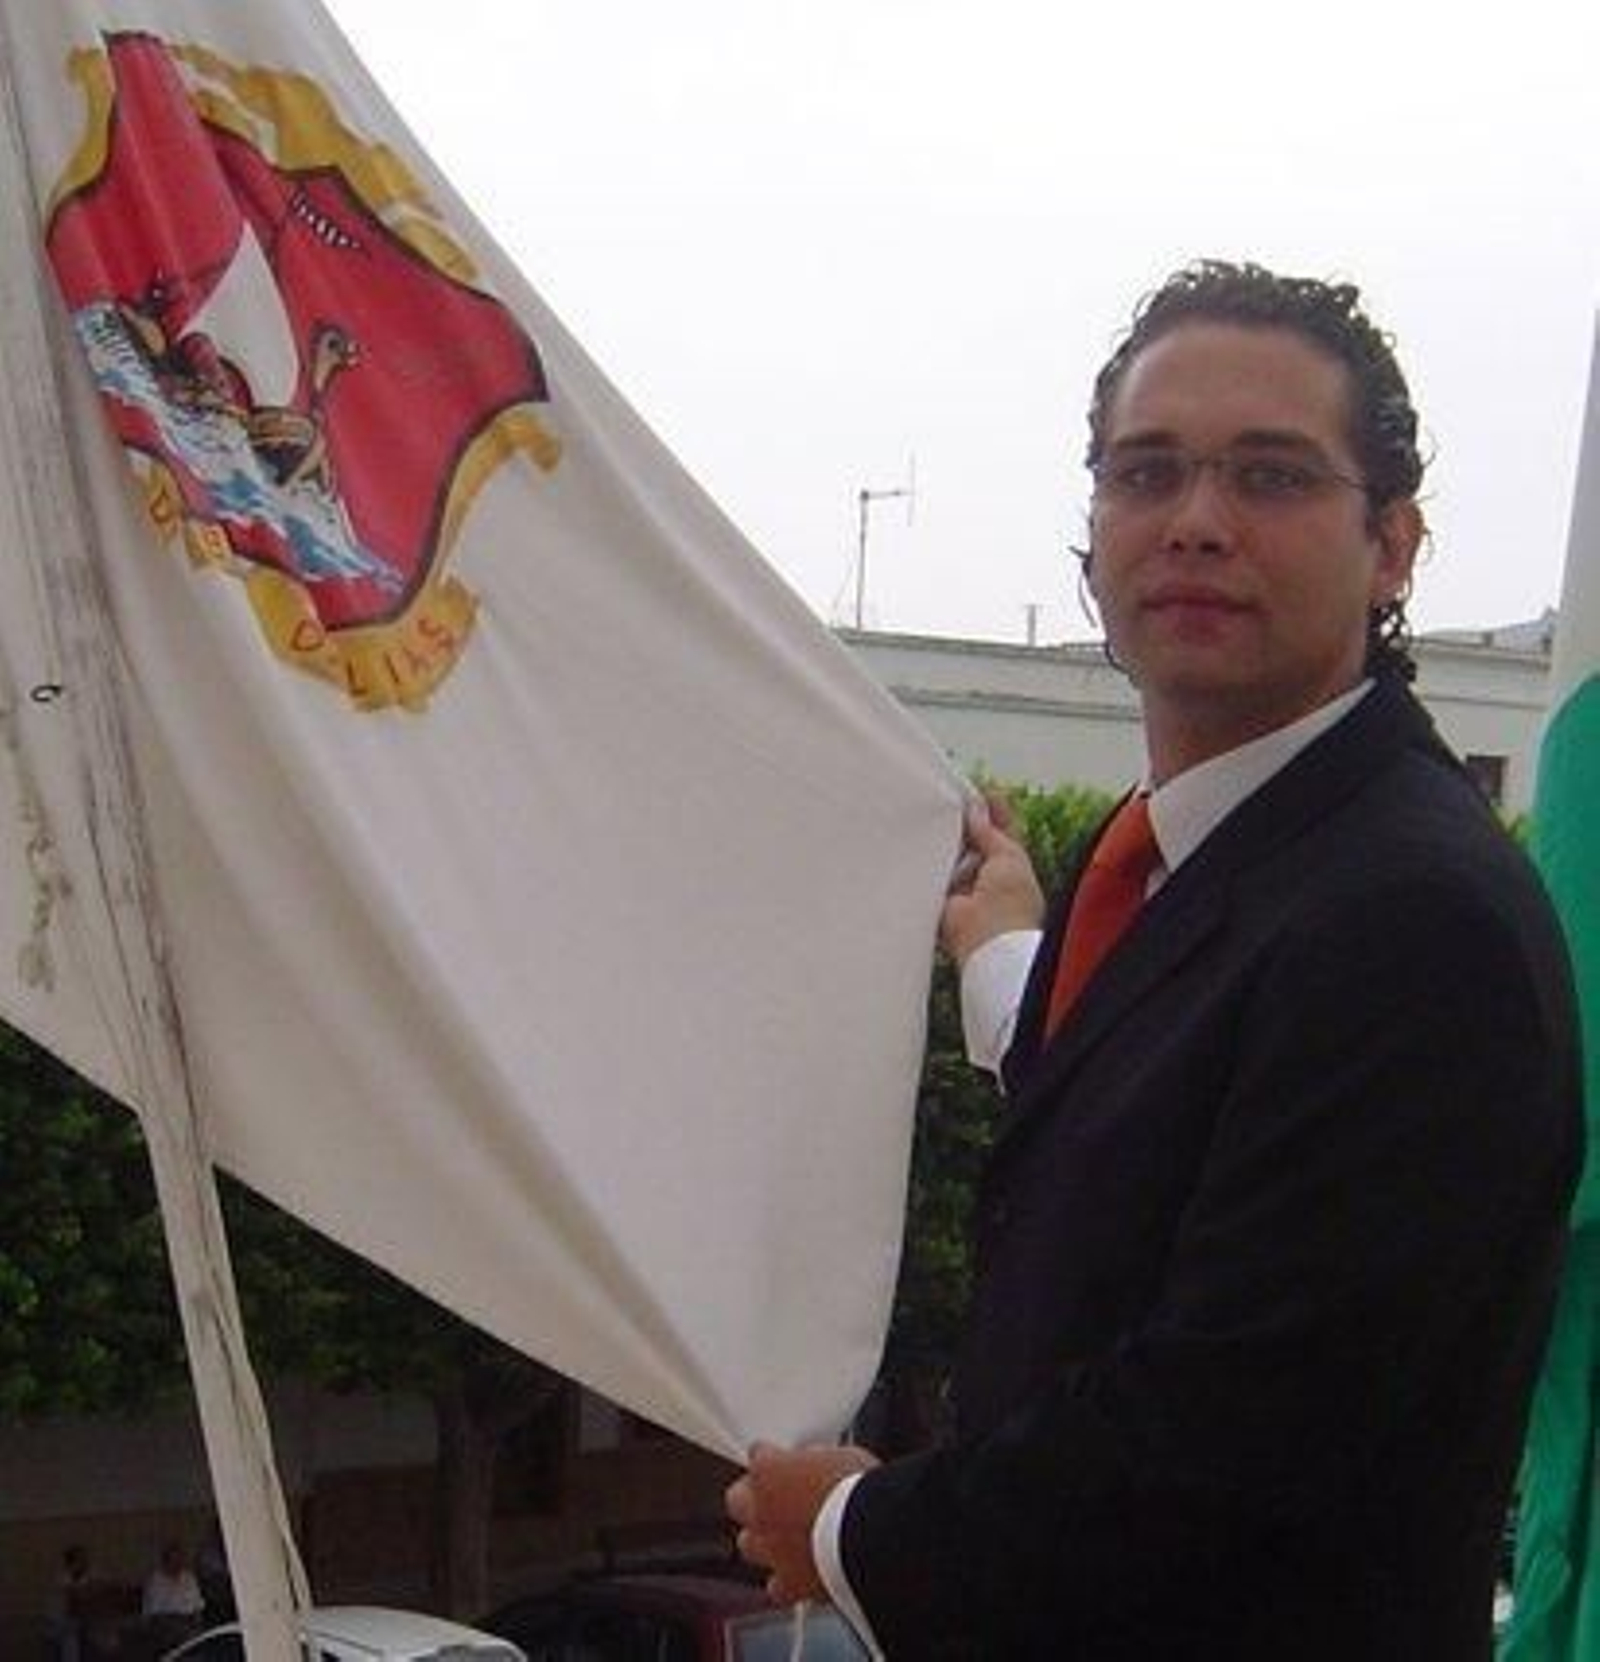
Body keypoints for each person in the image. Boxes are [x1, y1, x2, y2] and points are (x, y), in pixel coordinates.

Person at [726, 260, 1584, 1659]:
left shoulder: (1418, 920)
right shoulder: (1183, 862)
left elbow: (1227, 1427)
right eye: (1147, 473)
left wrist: (850, 1528)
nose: (1195, 520)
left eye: (1270, 476)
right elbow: (1140, 1101)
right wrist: (1004, 943)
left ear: (1393, 545)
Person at [141, 1539, 204, 1649]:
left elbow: (197, 1605)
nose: (177, 1564)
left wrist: (197, 1623)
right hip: (165, 1623)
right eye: (173, 1560)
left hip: (188, 1621)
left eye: (179, 1560)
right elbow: (155, 1614)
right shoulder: (155, 1580)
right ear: (165, 1561)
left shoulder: (189, 1577)